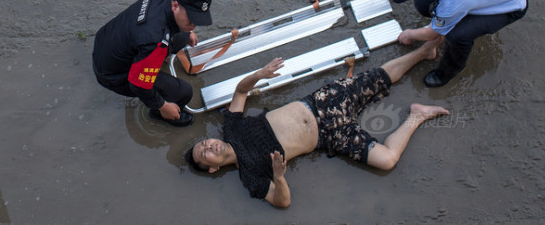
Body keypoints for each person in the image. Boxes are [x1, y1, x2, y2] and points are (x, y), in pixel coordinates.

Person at [186, 40, 448, 207]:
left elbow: (240, 93)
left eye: (205, 143)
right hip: (332, 136)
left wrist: (259, 75)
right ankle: (418, 115)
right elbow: (282, 202)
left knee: (379, 77)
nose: (209, 146)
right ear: (212, 169)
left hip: (323, 103)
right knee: (387, 160)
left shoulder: (231, 128)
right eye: (205, 153)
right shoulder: (251, 176)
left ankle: (424, 51)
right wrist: (278, 176)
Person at [380, 0, 528, 87]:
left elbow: (432, 34)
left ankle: (447, 72)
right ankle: (455, 17)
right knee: (423, 4)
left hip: (511, 2)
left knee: (457, 35)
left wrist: (409, 34)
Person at [93, 0, 214, 128]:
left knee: (183, 35)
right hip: (112, 74)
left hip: (106, 41)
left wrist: (188, 31)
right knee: (184, 92)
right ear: (175, 6)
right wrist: (163, 106)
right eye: (191, 18)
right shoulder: (155, 41)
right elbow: (138, 84)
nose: (195, 24)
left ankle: (153, 60)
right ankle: (159, 114)